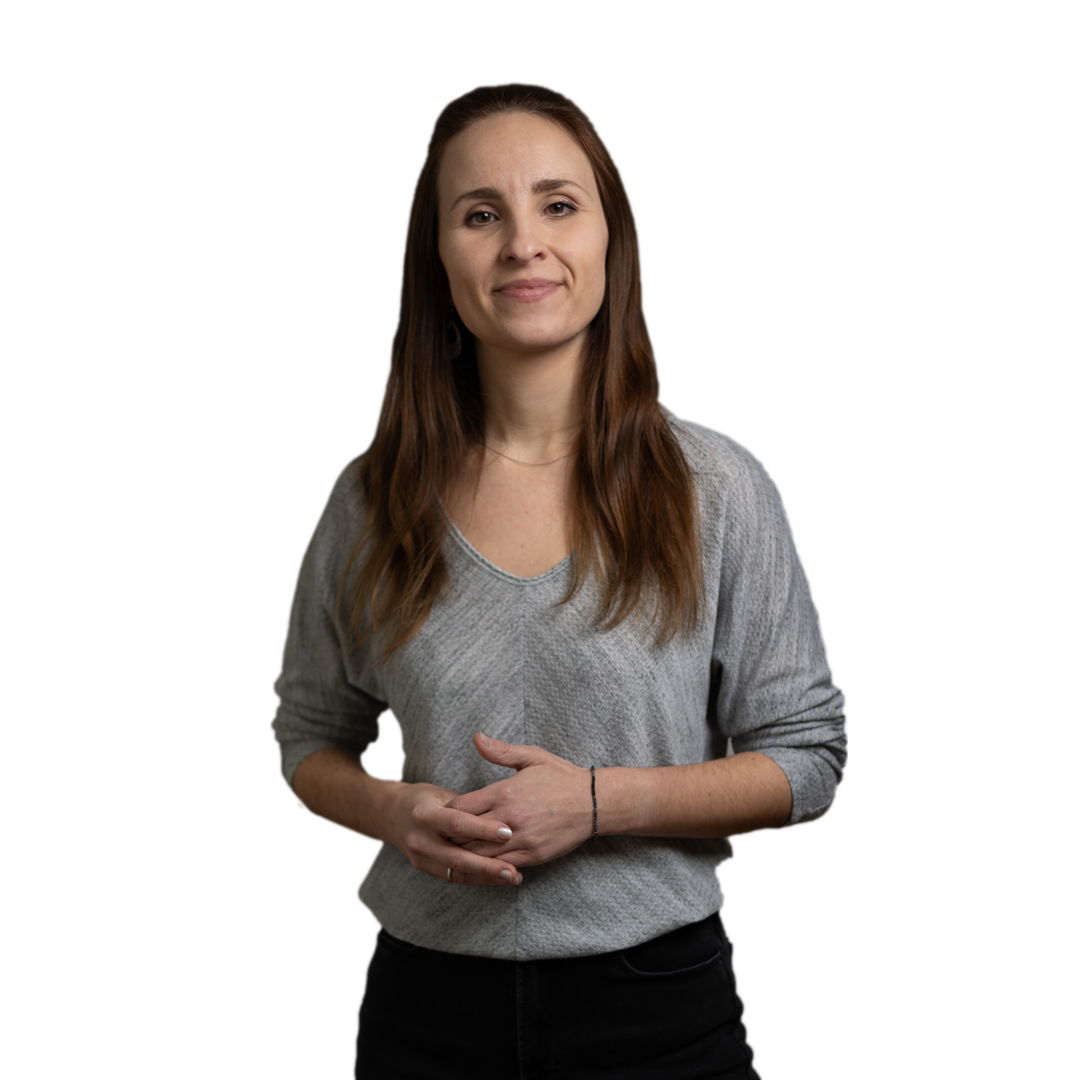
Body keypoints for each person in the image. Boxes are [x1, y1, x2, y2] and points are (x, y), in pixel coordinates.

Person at [277, 82, 847, 1080]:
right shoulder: (372, 502)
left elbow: (808, 759)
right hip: (427, 1016)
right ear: (437, 256)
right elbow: (300, 741)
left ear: (609, 241)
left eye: (558, 204)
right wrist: (393, 813)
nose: (523, 244)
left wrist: (596, 802)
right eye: (480, 214)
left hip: (658, 1014)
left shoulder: (716, 489)